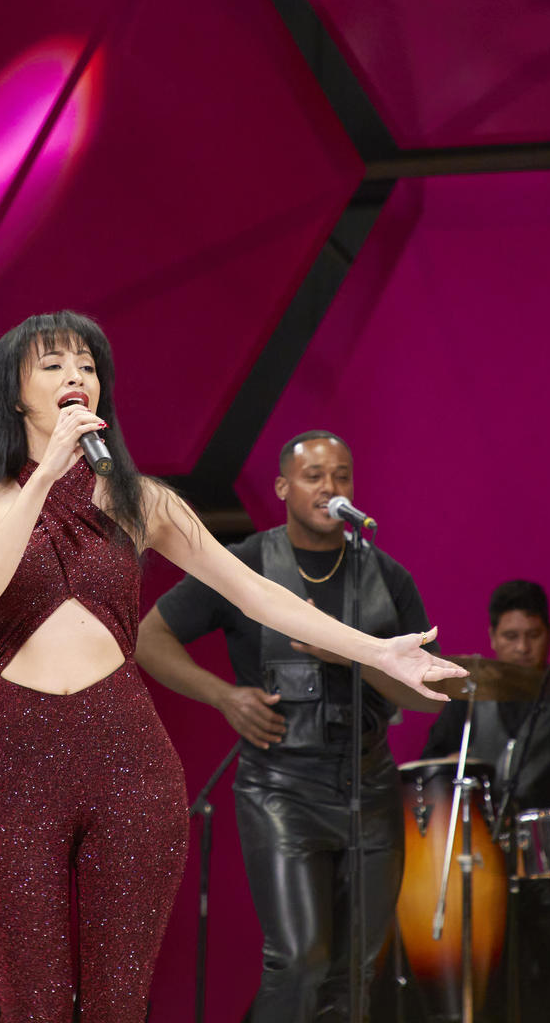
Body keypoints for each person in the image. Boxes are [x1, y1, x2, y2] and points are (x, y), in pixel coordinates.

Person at [0, 314, 465, 1023]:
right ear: (13, 394)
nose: (76, 377)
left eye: (87, 366)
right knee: (35, 1005)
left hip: (126, 760)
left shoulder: (140, 498)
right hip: (15, 765)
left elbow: (257, 593)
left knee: (119, 1004)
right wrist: (45, 477)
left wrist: (376, 649)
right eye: (54, 365)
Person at [133, 429, 440, 1022]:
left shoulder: (387, 576)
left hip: (370, 784)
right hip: (282, 787)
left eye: (342, 476)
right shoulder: (245, 563)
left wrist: (352, 655)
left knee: (356, 972)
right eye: (314, 476)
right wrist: (223, 696)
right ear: (282, 488)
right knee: (300, 962)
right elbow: (149, 638)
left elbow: (430, 699)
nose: (331, 487)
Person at [421, 579, 550, 811]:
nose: (523, 648)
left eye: (534, 635)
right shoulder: (468, 696)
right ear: (493, 637)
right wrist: (447, 767)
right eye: (511, 636)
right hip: (479, 824)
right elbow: (428, 766)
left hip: (547, 824)